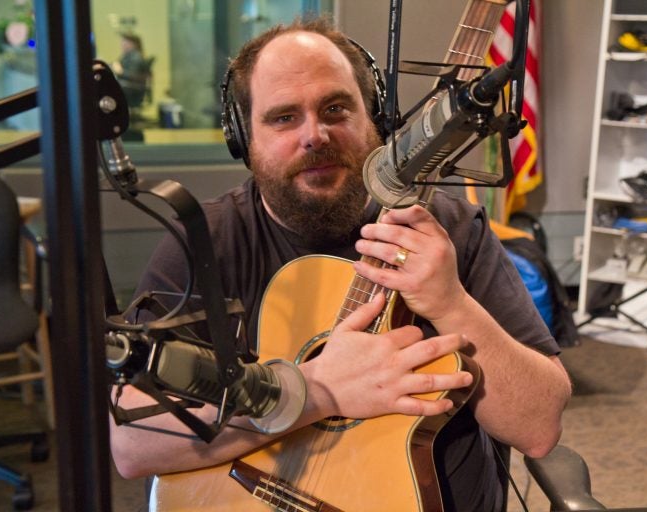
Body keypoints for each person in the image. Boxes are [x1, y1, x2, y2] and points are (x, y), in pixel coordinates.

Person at [109, 16, 571, 511]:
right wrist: (316, 393)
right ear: (243, 139)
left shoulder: (450, 230)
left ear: (375, 119)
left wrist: (450, 302)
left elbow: (539, 428)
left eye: (336, 109)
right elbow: (133, 445)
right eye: (284, 117)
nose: (316, 135)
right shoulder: (207, 241)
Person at [113, 32, 152, 109]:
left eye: (125, 42)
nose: (122, 45)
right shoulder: (129, 56)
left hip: (133, 91)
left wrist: (120, 71)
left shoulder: (135, 57)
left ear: (133, 44)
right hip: (131, 88)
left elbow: (134, 76)